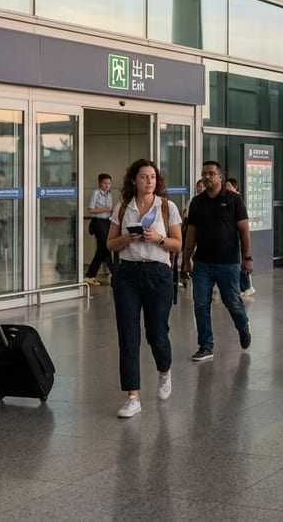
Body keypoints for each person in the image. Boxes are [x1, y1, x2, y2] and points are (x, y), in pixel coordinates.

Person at [105, 158, 181, 418]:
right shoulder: (123, 207)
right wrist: (127, 237)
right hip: (127, 274)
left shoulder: (167, 207)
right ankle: (132, 396)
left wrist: (159, 238)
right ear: (134, 181)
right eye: (144, 177)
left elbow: (178, 244)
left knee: (156, 333)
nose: (149, 181)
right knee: (128, 335)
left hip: (158, 274)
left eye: (152, 177)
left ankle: (164, 371)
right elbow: (110, 244)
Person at [182, 161, 252, 362]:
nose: (207, 177)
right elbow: (191, 234)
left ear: (220, 177)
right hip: (202, 263)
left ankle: (243, 326)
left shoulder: (233, 200)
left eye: (211, 173)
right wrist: (186, 260)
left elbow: (244, 232)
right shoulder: (197, 202)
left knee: (233, 303)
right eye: (204, 173)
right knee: (201, 304)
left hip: (228, 263)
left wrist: (247, 258)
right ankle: (205, 346)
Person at [225, 178, 256, 298]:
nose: (226, 188)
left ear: (235, 188)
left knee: (240, 263)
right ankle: (243, 286)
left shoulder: (237, 201)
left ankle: (247, 286)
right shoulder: (226, 199)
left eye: (228, 186)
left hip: (236, 238)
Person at [85, 173, 116, 286]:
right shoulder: (95, 193)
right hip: (98, 222)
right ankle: (115, 273)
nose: (107, 185)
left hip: (107, 221)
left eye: (109, 183)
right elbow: (91, 209)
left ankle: (90, 275)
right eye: (105, 183)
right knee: (105, 247)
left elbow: (109, 209)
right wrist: (106, 209)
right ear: (100, 183)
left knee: (102, 249)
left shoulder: (109, 194)